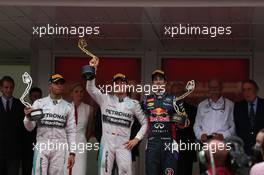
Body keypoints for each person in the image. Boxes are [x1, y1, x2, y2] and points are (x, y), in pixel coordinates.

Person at [86, 57, 148, 175]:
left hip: (123, 144)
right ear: (113, 86)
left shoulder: (133, 103)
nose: (119, 85)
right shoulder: (105, 99)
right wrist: (93, 69)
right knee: (104, 173)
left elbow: (145, 123)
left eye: (122, 83)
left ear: (126, 86)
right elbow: (90, 89)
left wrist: (137, 139)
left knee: (126, 173)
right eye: (117, 83)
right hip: (106, 143)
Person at [24, 74, 76, 175]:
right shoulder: (39, 103)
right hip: (42, 144)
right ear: (50, 86)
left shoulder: (68, 106)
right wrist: (27, 117)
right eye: (56, 83)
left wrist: (72, 152)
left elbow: (71, 131)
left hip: (60, 146)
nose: (59, 86)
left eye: (61, 84)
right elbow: (30, 128)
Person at [143, 69, 188, 175]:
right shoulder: (146, 100)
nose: (158, 82)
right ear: (152, 83)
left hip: (169, 142)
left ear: (165, 82)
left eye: (161, 79)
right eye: (155, 80)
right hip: (152, 143)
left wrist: (172, 118)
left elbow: (185, 122)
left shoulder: (174, 100)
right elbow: (141, 119)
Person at [66, 82, 93, 175]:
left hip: (81, 142)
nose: (79, 94)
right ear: (71, 93)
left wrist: (83, 140)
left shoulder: (89, 109)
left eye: (81, 91)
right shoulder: (65, 107)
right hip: (66, 142)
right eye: (76, 91)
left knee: (80, 170)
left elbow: (89, 129)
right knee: (65, 170)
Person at [171, 81, 197, 175]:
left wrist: (184, 126)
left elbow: (195, 131)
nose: (175, 96)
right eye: (173, 94)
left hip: (185, 153)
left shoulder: (193, 110)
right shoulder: (165, 110)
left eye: (178, 93)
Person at [0, 76, 25, 175]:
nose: (9, 90)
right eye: (6, 87)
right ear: (1, 88)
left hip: (14, 151)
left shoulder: (20, 105)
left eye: (11, 87)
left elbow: (24, 128)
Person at [234, 79, 264, 155]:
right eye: (244, 90)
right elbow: (237, 128)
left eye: (249, 89)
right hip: (245, 150)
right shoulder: (238, 106)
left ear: (256, 90)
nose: (246, 93)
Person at [22, 87, 43, 175]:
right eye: (34, 96)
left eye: (38, 97)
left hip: (40, 145)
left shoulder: (44, 111)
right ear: (30, 97)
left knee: (39, 169)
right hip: (27, 145)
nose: (36, 99)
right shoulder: (25, 110)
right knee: (27, 168)